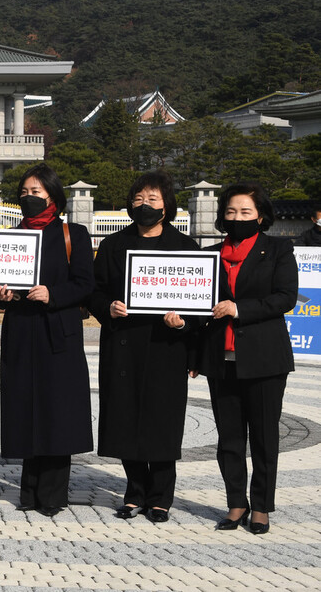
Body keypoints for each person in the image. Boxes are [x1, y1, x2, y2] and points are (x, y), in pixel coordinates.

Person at [88, 171, 199, 522]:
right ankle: (135, 491)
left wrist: (181, 321)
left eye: (152, 199)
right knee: (125, 418)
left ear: (167, 205)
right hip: (124, 345)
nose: (145, 205)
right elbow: (94, 290)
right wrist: (107, 307)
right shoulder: (113, 245)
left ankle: (161, 496)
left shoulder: (185, 248)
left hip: (167, 347)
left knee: (161, 421)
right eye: (138, 199)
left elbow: (199, 304)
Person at [193, 181, 298, 535]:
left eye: (246, 212)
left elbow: (285, 297)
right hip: (219, 359)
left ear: (261, 216)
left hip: (265, 358)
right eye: (231, 211)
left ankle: (262, 507)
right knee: (230, 437)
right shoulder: (208, 254)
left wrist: (239, 309)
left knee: (265, 436)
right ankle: (236, 503)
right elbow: (196, 308)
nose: (238, 217)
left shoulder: (279, 249)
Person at [0, 163, 94, 517]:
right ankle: (29, 490)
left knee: (57, 410)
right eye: (24, 192)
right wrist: (0, 295)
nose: (29, 197)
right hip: (21, 331)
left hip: (58, 332)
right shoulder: (10, 236)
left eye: (36, 192)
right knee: (24, 407)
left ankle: (53, 492)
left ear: (53, 195)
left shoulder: (73, 234)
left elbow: (85, 283)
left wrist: (52, 293)